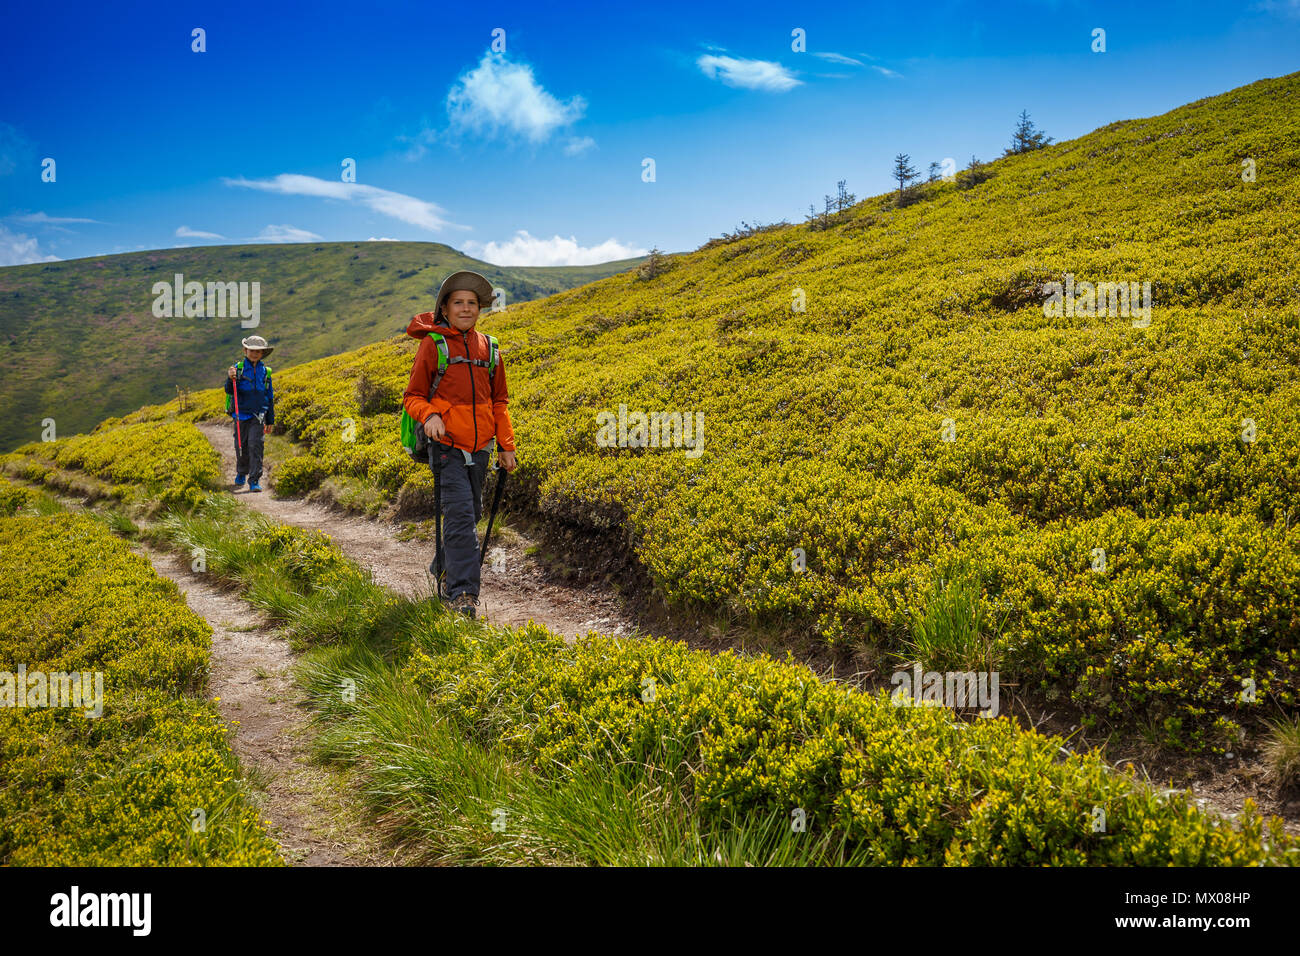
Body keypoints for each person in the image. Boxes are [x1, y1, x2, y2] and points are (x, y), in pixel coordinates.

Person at [403, 271, 518, 619]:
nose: (466, 309)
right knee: (461, 517)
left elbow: (500, 402)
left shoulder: (491, 348)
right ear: (445, 308)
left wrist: (506, 445)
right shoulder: (433, 344)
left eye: (472, 303)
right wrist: (430, 416)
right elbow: (413, 396)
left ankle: (443, 566)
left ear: (479, 308)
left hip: (481, 446)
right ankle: (463, 594)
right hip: (447, 445)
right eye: (459, 303)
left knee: (473, 513)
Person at [224, 335, 275, 492]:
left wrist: (270, 420)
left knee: (256, 445)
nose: (255, 353)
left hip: (258, 416)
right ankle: (241, 472)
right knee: (241, 446)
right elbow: (229, 390)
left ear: (262, 354)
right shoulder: (237, 369)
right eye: (252, 350)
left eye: (258, 351)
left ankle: (254, 480)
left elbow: (269, 396)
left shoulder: (265, 372)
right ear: (245, 350)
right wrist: (229, 378)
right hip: (240, 415)